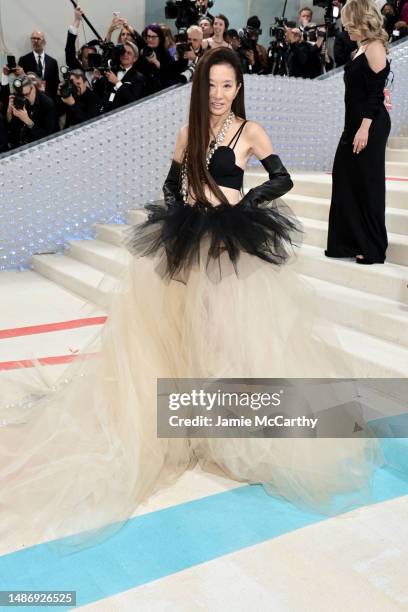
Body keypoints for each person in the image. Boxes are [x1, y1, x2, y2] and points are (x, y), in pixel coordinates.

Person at [0, 47, 387, 553]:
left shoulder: (249, 131)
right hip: (189, 242)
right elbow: (169, 184)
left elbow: (281, 178)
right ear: (200, 88)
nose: (220, 95)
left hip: (232, 245)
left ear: (238, 87)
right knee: (187, 331)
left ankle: (229, 431)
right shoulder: (189, 133)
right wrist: (184, 210)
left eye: (228, 86)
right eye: (211, 86)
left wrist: (243, 206)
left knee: (231, 335)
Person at [325, 0, 391, 264]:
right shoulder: (360, 47)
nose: (346, 29)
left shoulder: (375, 47)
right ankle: (348, 242)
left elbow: (376, 95)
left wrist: (364, 128)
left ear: (362, 21)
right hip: (353, 124)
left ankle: (372, 247)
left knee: (368, 182)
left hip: (370, 125)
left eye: (350, 25)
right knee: (345, 177)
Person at [6, 75, 58, 148]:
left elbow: (48, 137)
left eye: (26, 94)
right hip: (19, 143)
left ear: (33, 88)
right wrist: (9, 110)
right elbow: (12, 126)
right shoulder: (20, 99)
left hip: (39, 145)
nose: (25, 98)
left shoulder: (47, 103)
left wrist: (28, 121)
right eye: (21, 95)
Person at [100, 41, 145, 113]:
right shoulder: (112, 71)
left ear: (135, 58)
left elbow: (133, 100)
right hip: (106, 112)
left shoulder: (138, 77)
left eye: (129, 53)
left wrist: (117, 82)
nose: (125, 54)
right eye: (123, 52)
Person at [18, 31, 59, 99]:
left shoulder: (53, 62)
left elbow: (56, 83)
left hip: (48, 98)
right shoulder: (23, 60)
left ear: (44, 42)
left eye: (38, 38)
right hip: (30, 98)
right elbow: (20, 82)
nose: (35, 41)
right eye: (33, 38)